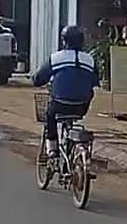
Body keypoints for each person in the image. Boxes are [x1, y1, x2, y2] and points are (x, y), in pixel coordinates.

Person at [32, 25, 99, 158]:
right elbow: (95, 81)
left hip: (59, 105)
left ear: (64, 41)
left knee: (50, 116)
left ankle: (52, 149)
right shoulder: (90, 59)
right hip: (81, 107)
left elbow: (38, 79)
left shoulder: (56, 58)